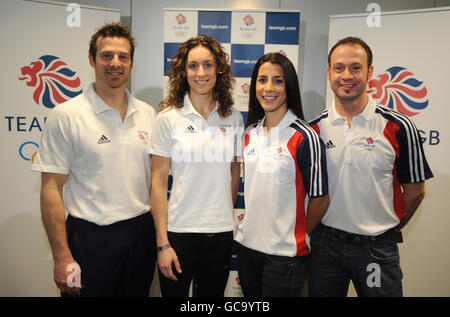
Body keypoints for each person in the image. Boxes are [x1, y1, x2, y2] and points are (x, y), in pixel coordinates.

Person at [32, 22, 157, 297]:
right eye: (106, 55)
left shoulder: (148, 114)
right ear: (92, 59)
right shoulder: (66, 115)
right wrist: (62, 257)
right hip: (89, 238)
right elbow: (50, 189)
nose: (115, 63)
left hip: (140, 234)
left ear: (132, 63)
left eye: (123, 57)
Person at [307, 37, 433, 297]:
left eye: (356, 67)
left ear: (370, 73)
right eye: (339, 68)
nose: (347, 75)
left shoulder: (399, 126)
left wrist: (383, 230)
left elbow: (415, 192)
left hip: (376, 251)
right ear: (329, 72)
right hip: (325, 250)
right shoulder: (314, 130)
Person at [150, 35, 244, 297]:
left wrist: (220, 210)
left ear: (219, 70)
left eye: (208, 65)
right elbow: (157, 183)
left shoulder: (234, 118)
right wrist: (162, 244)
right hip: (178, 234)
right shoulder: (167, 118)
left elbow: (234, 170)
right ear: (183, 71)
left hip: (221, 234)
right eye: (193, 66)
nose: (200, 73)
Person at [233, 52, 330, 297]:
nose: (269, 88)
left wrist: (298, 235)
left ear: (289, 86)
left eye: (278, 81)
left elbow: (320, 199)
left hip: (284, 258)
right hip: (247, 249)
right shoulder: (249, 133)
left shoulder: (304, 136)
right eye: (262, 80)